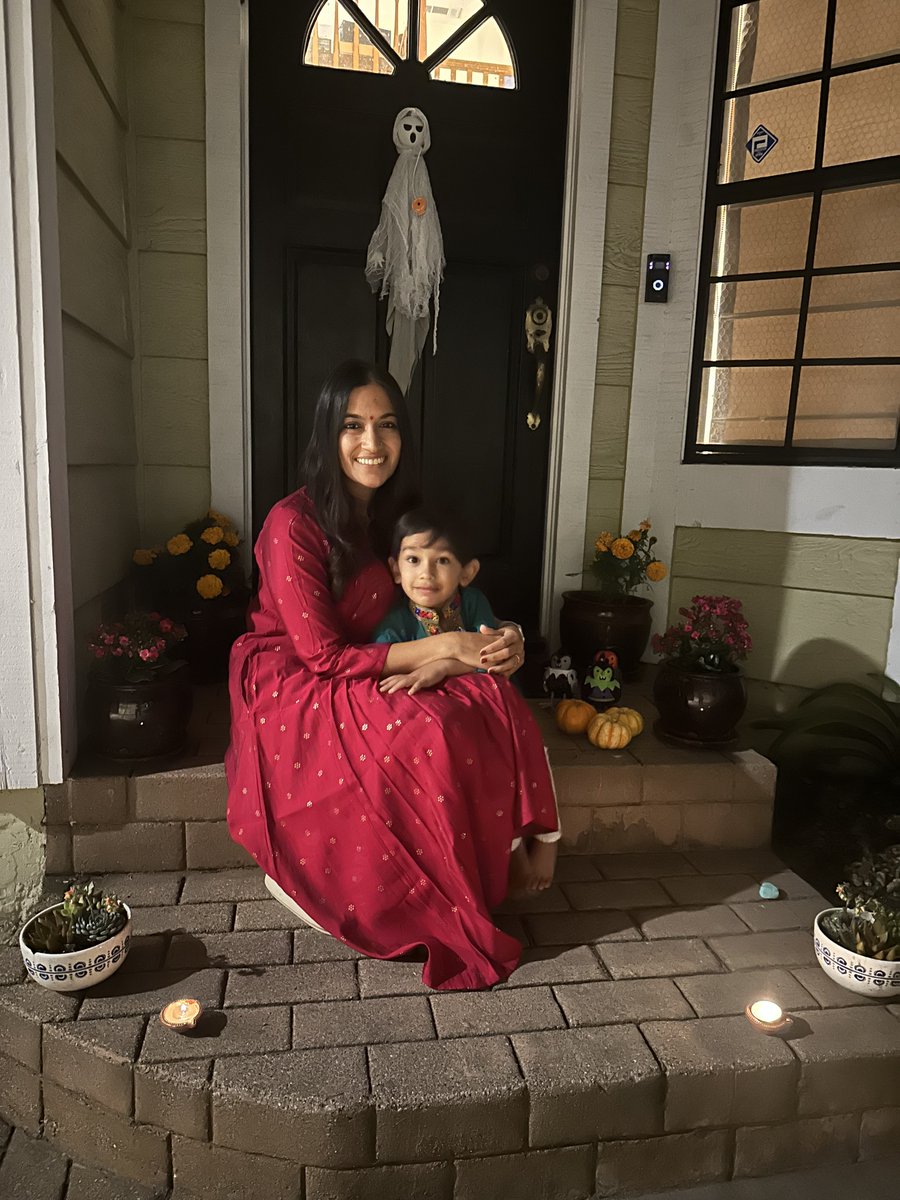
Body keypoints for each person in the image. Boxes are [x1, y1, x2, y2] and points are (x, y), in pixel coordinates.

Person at [225, 360, 559, 991]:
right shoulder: (292, 523)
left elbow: (440, 593)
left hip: (383, 654)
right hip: (298, 678)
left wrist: (495, 639)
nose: (371, 444)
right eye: (353, 426)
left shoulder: (397, 515)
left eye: (386, 426)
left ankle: (492, 867)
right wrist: (451, 649)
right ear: (328, 434)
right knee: (423, 734)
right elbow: (321, 655)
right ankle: (362, 887)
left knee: (483, 699)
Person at [373, 505, 560, 889]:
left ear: (467, 571)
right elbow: (389, 672)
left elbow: (487, 659)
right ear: (395, 568)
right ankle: (507, 852)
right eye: (413, 559)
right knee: (477, 774)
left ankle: (546, 838)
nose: (426, 572)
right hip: (444, 728)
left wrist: (441, 667)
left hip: (494, 711)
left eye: (442, 560)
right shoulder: (395, 622)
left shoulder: (473, 605)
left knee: (528, 750)